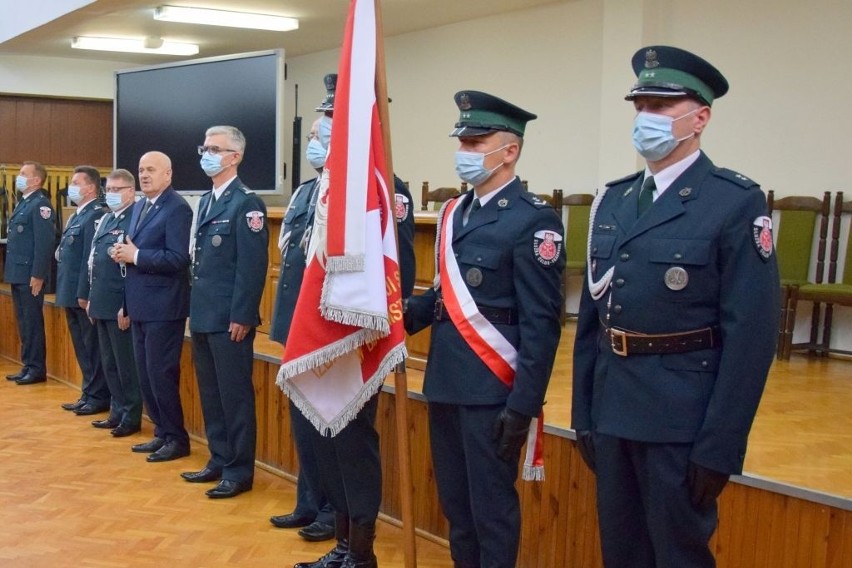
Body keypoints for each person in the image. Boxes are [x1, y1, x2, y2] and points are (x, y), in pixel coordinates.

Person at [571, 46, 780, 568]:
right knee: (621, 552)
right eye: (640, 105)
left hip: (680, 420)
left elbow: (751, 337)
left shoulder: (733, 202)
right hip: (613, 409)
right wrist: (584, 415)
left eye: (662, 107)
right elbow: (593, 322)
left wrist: (721, 445)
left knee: (677, 556)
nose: (646, 118)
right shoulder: (614, 200)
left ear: (700, 117)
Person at [404, 91, 564, 568]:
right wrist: (394, 319)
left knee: (491, 510)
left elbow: (542, 324)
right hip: (447, 381)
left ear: (509, 151)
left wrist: (524, 404)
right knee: (457, 506)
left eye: (476, 142)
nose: (465, 153)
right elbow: (442, 296)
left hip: (493, 390)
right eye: (463, 142)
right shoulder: (457, 212)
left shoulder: (532, 219)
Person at [285, 75, 416, 568]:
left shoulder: (381, 189)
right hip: (325, 339)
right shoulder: (327, 186)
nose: (326, 134)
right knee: (329, 446)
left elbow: (398, 269)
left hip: (360, 339)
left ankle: (361, 552)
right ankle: (341, 545)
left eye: (335, 123)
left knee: (355, 449)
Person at [180, 126, 268, 499]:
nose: (206, 153)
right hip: (203, 313)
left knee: (234, 397)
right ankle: (219, 458)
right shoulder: (208, 199)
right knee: (211, 394)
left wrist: (243, 315)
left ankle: (239, 470)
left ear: (235, 156)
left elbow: (252, 266)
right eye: (204, 147)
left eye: (215, 148)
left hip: (229, 318)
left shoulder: (246, 203)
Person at [268, 111, 336, 541]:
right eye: (309, 135)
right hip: (298, 323)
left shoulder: (360, 192)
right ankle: (309, 502)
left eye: (317, 136)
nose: (310, 143)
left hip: (330, 331)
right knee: (303, 420)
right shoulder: (307, 192)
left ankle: (332, 510)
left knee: (329, 422)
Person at [112, 151, 193, 463]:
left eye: (151, 170)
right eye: (141, 169)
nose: (144, 175)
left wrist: (137, 256)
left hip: (164, 307)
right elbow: (131, 257)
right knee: (146, 375)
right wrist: (125, 304)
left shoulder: (177, 209)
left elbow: (177, 259)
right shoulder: (140, 207)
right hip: (140, 304)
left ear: (168, 175)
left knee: (161, 374)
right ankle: (161, 431)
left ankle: (176, 438)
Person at [86, 169, 143, 437]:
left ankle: (131, 416)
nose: (111, 194)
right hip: (101, 300)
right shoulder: (108, 219)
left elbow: (132, 269)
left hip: (120, 304)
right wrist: (91, 299)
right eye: (109, 189)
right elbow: (95, 260)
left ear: (131, 192)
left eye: (117, 189)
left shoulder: (136, 219)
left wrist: (126, 304)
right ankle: (116, 410)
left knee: (125, 365)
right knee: (109, 362)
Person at [56, 166, 110, 416]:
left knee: (91, 348)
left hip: (81, 294)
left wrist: (84, 293)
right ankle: (88, 392)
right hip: (68, 291)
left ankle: (98, 395)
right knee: (81, 347)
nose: (71, 186)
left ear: (90, 187)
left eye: (76, 182)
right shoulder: (76, 215)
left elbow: (90, 259)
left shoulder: (94, 216)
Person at [4, 161, 55, 386]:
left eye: (24, 174)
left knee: (32, 323)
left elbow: (44, 243)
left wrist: (38, 274)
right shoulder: (24, 203)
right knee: (24, 323)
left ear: (36, 180)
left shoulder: (41, 205)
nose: (19, 177)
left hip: (30, 275)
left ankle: (36, 368)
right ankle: (28, 365)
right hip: (17, 273)